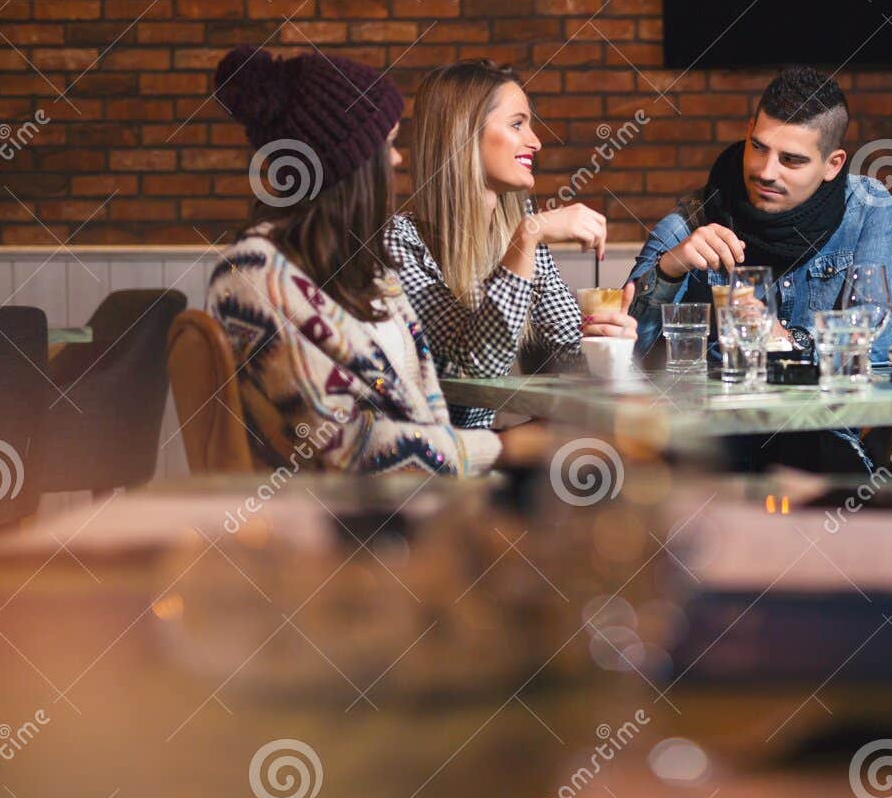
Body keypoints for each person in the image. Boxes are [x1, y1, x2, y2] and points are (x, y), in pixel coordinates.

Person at [207, 45, 501, 476]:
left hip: (419, 496)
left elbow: (425, 415)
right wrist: (501, 448)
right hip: (333, 513)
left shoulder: (368, 270)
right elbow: (344, 448)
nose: (398, 159)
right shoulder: (253, 278)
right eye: (390, 143)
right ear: (350, 164)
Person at [626, 65, 892, 472]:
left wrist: (787, 343)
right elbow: (624, 360)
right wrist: (670, 269)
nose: (765, 171)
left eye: (791, 160)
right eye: (758, 147)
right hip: (710, 443)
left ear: (832, 164)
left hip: (821, 436)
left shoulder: (866, 209)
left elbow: (881, 352)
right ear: (748, 131)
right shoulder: (691, 223)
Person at [384, 60, 637, 429]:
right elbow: (477, 364)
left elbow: (571, 348)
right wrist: (528, 235)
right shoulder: (400, 241)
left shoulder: (518, 227)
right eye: (517, 124)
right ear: (465, 134)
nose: (536, 141)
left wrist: (607, 344)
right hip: (425, 455)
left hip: (484, 448)